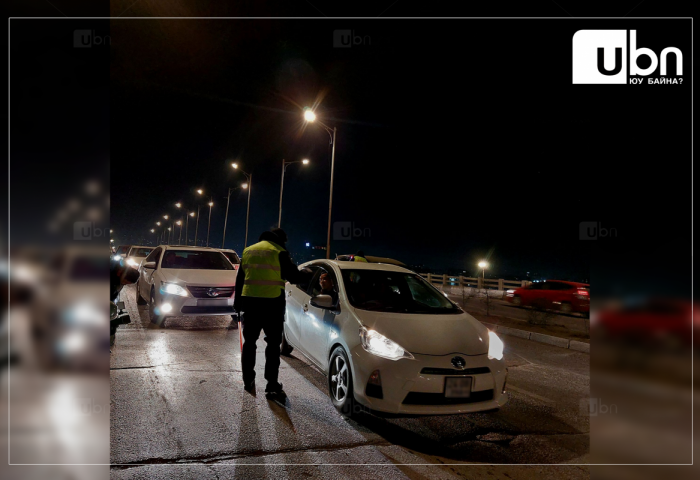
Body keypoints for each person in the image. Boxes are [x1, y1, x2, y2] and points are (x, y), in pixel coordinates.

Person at [234, 227, 310, 399]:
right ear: (280, 240)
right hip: (272, 304)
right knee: (273, 345)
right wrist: (307, 273)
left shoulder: (248, 250)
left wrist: (237, 304)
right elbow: (294, 277)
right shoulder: (279, 251)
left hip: (250, 303)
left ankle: (248, 380)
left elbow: (240, 279)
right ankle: (271, 385)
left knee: (249, 342)